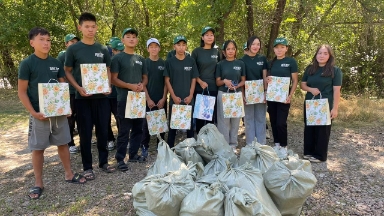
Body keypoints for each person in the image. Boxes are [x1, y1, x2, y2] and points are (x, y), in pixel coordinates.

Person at [18, 27, 87, 199]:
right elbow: (22, 92)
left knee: (63, 143)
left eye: (48, 40)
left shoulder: (56, 63)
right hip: (40, 115)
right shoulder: (27, 64)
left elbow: (62, 86)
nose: (46, 43)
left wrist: (66, 107)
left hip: (58, 114)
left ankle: (69, 174)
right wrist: (34, 113)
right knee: (38, 148)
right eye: (41, 39)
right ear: (32, 42)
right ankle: (38, 183)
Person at [65, 12, 115, 180]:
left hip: (102, 98)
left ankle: (104, 162)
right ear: (80, 28)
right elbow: (67, 71)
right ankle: (87, 167)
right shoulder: (73, 49)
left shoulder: (102, 49)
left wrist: (108, 85)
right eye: (87, 27)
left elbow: (108, 69)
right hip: (82, 98)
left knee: (103, 130)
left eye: (93, 26)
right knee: (85, 133)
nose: (90, 30)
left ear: (97, 27)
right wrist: (78, 87)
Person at [111, 28, 148, 172]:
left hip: (138, 99)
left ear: (137, 40)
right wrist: (130, 86)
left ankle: (133, 154)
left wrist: (142, 85)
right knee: (124, 129)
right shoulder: (117, 58)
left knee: (139, 128)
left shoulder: (140, 59)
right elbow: (113, 79)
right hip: (124, 99)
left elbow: (145, 77)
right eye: (128, 37)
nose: (131, 39)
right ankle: (120, 158)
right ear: (123, 40)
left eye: (134, 37)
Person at [300, 44, 342, 163]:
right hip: (310, 103)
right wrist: (310, 89)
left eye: (325, 53)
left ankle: (320, 155)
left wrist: (335, 108)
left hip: (325, 104)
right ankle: (308, 152)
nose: (322, 56)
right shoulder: (310, 68)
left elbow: (336, 90)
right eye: (319, 53)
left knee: (322, 130)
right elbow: (303, 85)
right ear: (316, 54)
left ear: (330, 56)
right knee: (309, 127)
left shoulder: (335, 71)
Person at [164, 35, 199, 148]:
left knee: (189, 128)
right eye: (178, 45)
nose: (181, 47)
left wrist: (190, 95)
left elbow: (194, 79)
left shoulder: (191, 61)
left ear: (186, 46)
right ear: (174, 46)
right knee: (173, 128)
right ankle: (170, 151)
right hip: (175, 100)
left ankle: (189, 152)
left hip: (188, 99)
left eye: (183, 45)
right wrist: (173, 96)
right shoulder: (170, 62)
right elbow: (167, 80)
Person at [267, 37, 298, 153]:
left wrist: (290, 95)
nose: (279, 50)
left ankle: (284, 145)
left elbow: (295, 81)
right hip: (272, 97)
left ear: (286, 49)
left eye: (282, 47)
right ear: (274, 49)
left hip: (284, 97)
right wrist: (267, 79)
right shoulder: (270, 63)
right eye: (277, 47)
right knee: (273, 121)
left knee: (281, 122)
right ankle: (277, 144)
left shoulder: (291, 62)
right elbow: (267, 79)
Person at [216, 40, 246, 151]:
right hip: (223, 94)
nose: (230, 51)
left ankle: (233, 144)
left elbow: (243, 81)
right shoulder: (220, 64)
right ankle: (224, 145)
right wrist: (225, 81)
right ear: (224, 52)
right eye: (228, 49)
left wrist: (237, 86)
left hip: (236, 95)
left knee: (235, 120)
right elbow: (217, 82)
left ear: (236, 50)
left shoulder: (240, 64)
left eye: (233, 48)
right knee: (224, 121)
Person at [140, 38, 167, 157]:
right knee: (145, 124)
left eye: (156, 46)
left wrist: (164, 98)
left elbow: (166, 82)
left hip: (161, 98)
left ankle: (160, 145)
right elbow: (143, 82)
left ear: (159, 48)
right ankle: (144, 146)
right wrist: (148, 98)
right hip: (148, 98)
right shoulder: (144, 63)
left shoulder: (164, 63)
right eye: (151, 46)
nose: (154, 48)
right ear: (148, 49)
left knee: (161, 122)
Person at [191, 26, 220, 133]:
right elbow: (192, 70)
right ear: (202, 37)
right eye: (207, 35)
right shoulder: (196, 52)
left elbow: (219, 69)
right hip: (200, 88)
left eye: (211, 35)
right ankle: (200, 140)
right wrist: (200, 81)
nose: (209, 37)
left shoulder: (216, 52)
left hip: (213, 88)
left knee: (211, 117)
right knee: (200, 117)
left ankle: (210, 142)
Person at [240, 36, 268, 145]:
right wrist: (243, 94)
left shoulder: (262, 59)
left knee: (261, 118)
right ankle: (250, 144)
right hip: (248, 93)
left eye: (258, 44)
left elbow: (265, 76)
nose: (255, 46)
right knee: (249, 119)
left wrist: (266, 92)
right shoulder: (242, 60)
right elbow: (242, 79)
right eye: (253, 44)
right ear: (248, 45)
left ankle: (261, 144)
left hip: (261, 93)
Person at [57, 33, 80, 154]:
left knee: (81, 117)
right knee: (70, 118)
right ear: (66, 44)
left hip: (81, 91)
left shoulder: (80, 55)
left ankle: (84, 140)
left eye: (76, 42)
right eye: (71, 42)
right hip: (68, 92)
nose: (74, 44)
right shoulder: (62, 56)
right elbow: (59, 73)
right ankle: (70, 143)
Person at [106, 39, 124, 151]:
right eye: (117, 50)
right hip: (106, 95)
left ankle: (122, 140)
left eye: (121, 50)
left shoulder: (124, 61)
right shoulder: (107, 62)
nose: (119, 52)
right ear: (112, 50)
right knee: (105, 119)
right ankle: (110, 140)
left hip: (118, 96)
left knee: (120, 118)